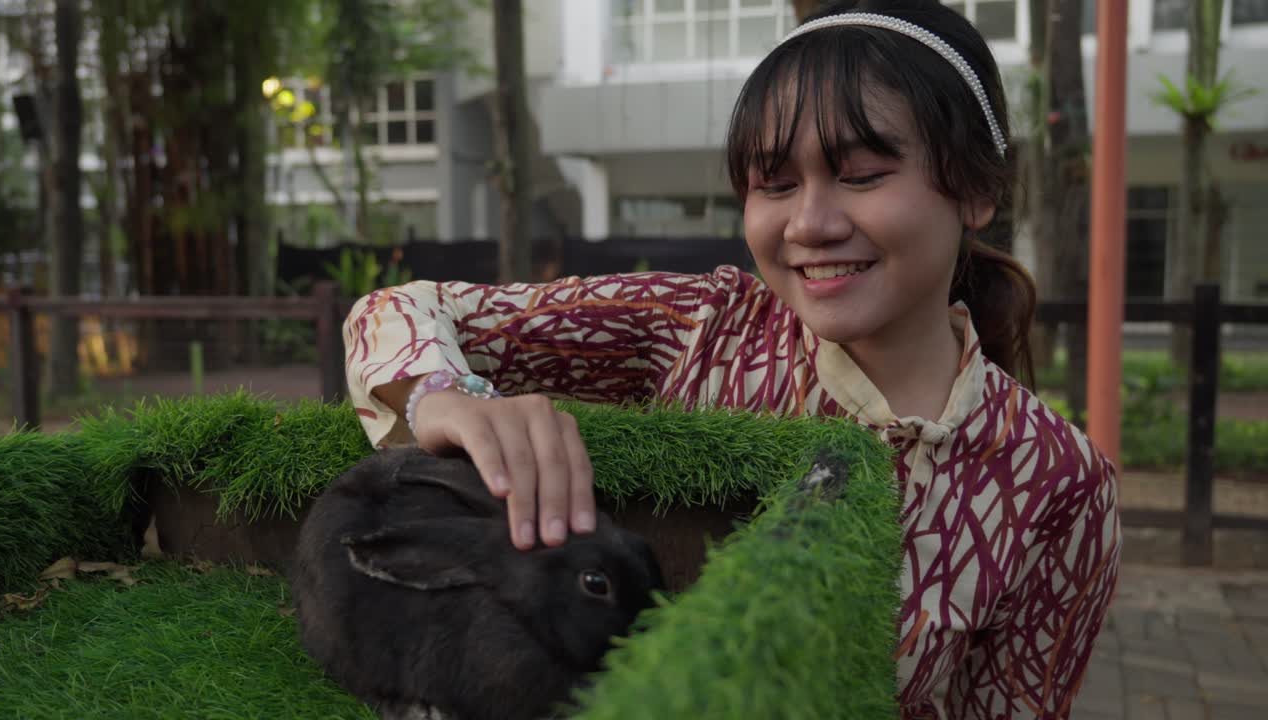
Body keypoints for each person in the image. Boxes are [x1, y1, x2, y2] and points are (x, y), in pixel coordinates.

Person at [341, 0, 1121, 716]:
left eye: (863, 175)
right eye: (773, 182)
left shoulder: (1057, 481)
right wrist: (441, 397)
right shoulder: (699, 324)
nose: (810, 223)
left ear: (976, 191)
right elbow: (401, 307)